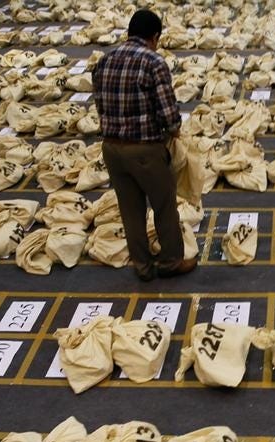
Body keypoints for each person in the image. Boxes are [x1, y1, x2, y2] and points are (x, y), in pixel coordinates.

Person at [92, 9, 196, 281]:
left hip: (112, 148)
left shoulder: (104, 60)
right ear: (155, 36)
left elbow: (100, 106)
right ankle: (171, 262)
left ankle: (143, 266)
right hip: (145, 150)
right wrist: (174, 131)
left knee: (130, 210)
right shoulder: (153, 62)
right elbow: (168, 113)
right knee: (163, 205)